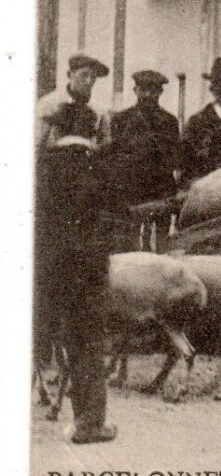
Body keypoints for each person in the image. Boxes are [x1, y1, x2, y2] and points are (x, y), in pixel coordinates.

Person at [35, 126, 119, 443]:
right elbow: (112, 218)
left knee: (59, 341)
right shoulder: (95, 168)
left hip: (51, 269)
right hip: (88, 269)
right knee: (89, 345)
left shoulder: (45, 167)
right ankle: (90, 424)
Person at [109, 69, 181, 207]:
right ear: (135, 90)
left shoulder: (169, 121)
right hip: (131, 187)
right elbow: (115, 156)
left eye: (153, 91)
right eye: (143, 90)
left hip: (160, 188)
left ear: (160, 92)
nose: (148, 95)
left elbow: (174, 157)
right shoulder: (121, 119)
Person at [35, 53, 111, 150]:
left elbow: (105, 145)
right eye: (84, 75)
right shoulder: (49, 104)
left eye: (93, 76)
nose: (89, 81)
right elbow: (36, 146)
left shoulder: (100, 109)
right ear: (70, 74)